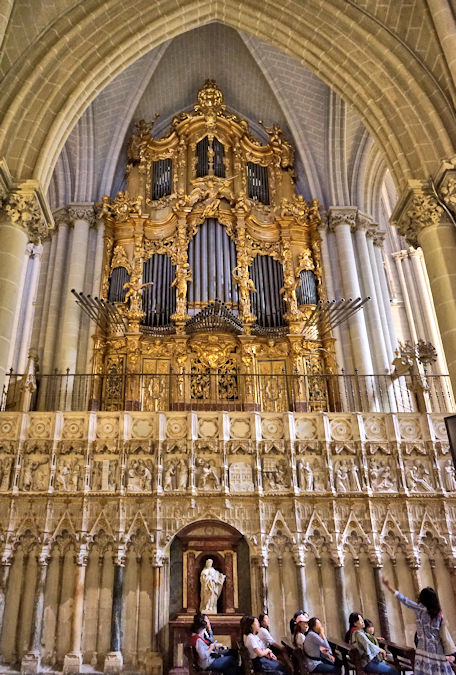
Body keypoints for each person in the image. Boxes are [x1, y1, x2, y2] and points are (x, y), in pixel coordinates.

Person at [382, 577, 455, 674]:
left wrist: (389, 587)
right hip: (436, 648)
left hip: (422, 648)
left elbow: (404, 600)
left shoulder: (419, 609)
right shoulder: (438, 614)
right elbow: (443, 633)